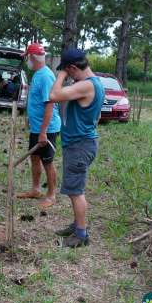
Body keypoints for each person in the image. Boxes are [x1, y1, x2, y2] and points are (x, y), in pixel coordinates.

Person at [48, 48, 104, 248]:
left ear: (72, 68)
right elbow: (95, 117)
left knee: (76, 191)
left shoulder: (87, 85)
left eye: (67, 71)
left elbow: (54, 95)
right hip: (81, 143)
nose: (66, 75)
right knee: (74, 189)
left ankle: (81, 235)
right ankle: (77, 224)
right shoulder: (93, 83)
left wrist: (61, 74)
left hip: (80, 146)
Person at [17, 42, 61, 210]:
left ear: (33, 57)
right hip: (37, 127)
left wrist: (43, 132)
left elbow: (49, 105)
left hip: (47, 129)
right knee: (34, 158)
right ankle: (35, 189)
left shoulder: (45, 76)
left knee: (47, 161)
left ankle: (51, 195)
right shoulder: (37, 74)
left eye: (27, 57)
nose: (27, 60)